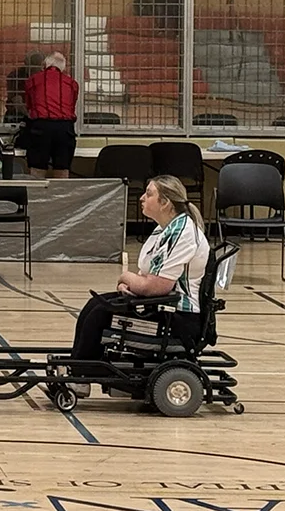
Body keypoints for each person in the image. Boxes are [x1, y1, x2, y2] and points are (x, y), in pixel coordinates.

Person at [70, 176, 210, 369]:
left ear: (165, 203)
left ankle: (80, 374)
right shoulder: (163, 230)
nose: (142, 198)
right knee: (94, 305)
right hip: (162, 305)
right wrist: (126, 284)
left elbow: (157, 286)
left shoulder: (182, 233)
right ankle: (77, 367)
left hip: (179, 317)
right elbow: (145, 274)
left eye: (149, 194)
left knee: (100, 315)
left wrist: (124, 276)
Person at [23, 51, 80, 179]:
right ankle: (61, 197)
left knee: (37, 168)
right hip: (65, 128)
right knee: (62, 169)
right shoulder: (72, 83)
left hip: (41, 126)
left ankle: (35, 197)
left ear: (44, 64)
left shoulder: (33, 80)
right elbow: (71, 105)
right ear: (63, 67)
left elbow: (30, 107)